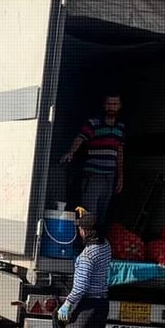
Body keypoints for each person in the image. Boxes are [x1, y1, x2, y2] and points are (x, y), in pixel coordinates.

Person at [55, 210, 112, 328]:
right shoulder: (106, 246)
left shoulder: (88, 255)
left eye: (80, 228)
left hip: (86, 303)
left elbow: (80, 287)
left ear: (85, 232)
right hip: (102, 302)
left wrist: (67, 304)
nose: (79, 231)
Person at [60, 94, 125, 232]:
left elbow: (119, 152)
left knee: (102, 212)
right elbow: (80, 138)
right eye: (109, 104)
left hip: (110, 176)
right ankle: (85, 246)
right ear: (104, 105)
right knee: (89, 212)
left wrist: (120, 177)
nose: (111, 107)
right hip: (94, 175)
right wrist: (71, 152)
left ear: (119, 107)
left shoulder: (120, 128)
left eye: (114, 104)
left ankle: (97, 246)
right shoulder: (93, 123)